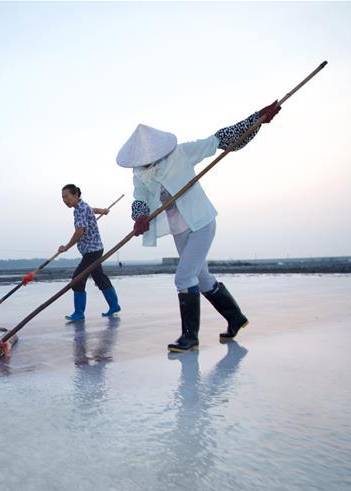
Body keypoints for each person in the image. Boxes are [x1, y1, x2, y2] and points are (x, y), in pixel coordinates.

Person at [116, 101, 281, 351]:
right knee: (202, 279)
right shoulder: (140, 174)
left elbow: (218, 140)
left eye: (148, 157)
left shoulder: (180, 154)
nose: (146, 162)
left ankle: (190, 337)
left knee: (184, 276)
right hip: (179, 229)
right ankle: (235, 318)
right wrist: (139, 217)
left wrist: (256, 120)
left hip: (201, 222)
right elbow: (139, 198)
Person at [58, 184, 121, 321]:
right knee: (99, 277)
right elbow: (92, 210)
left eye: (67, 197)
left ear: (75, 195)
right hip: (94, 249)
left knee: (77, 280)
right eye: (63, 198)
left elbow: (79, 232)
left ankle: (79, 313)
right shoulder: (83, 206)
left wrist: (66, 247)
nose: (65, 200)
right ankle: (114, 305)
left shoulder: (80, 210)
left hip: (92, 251)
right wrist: (103, 211)